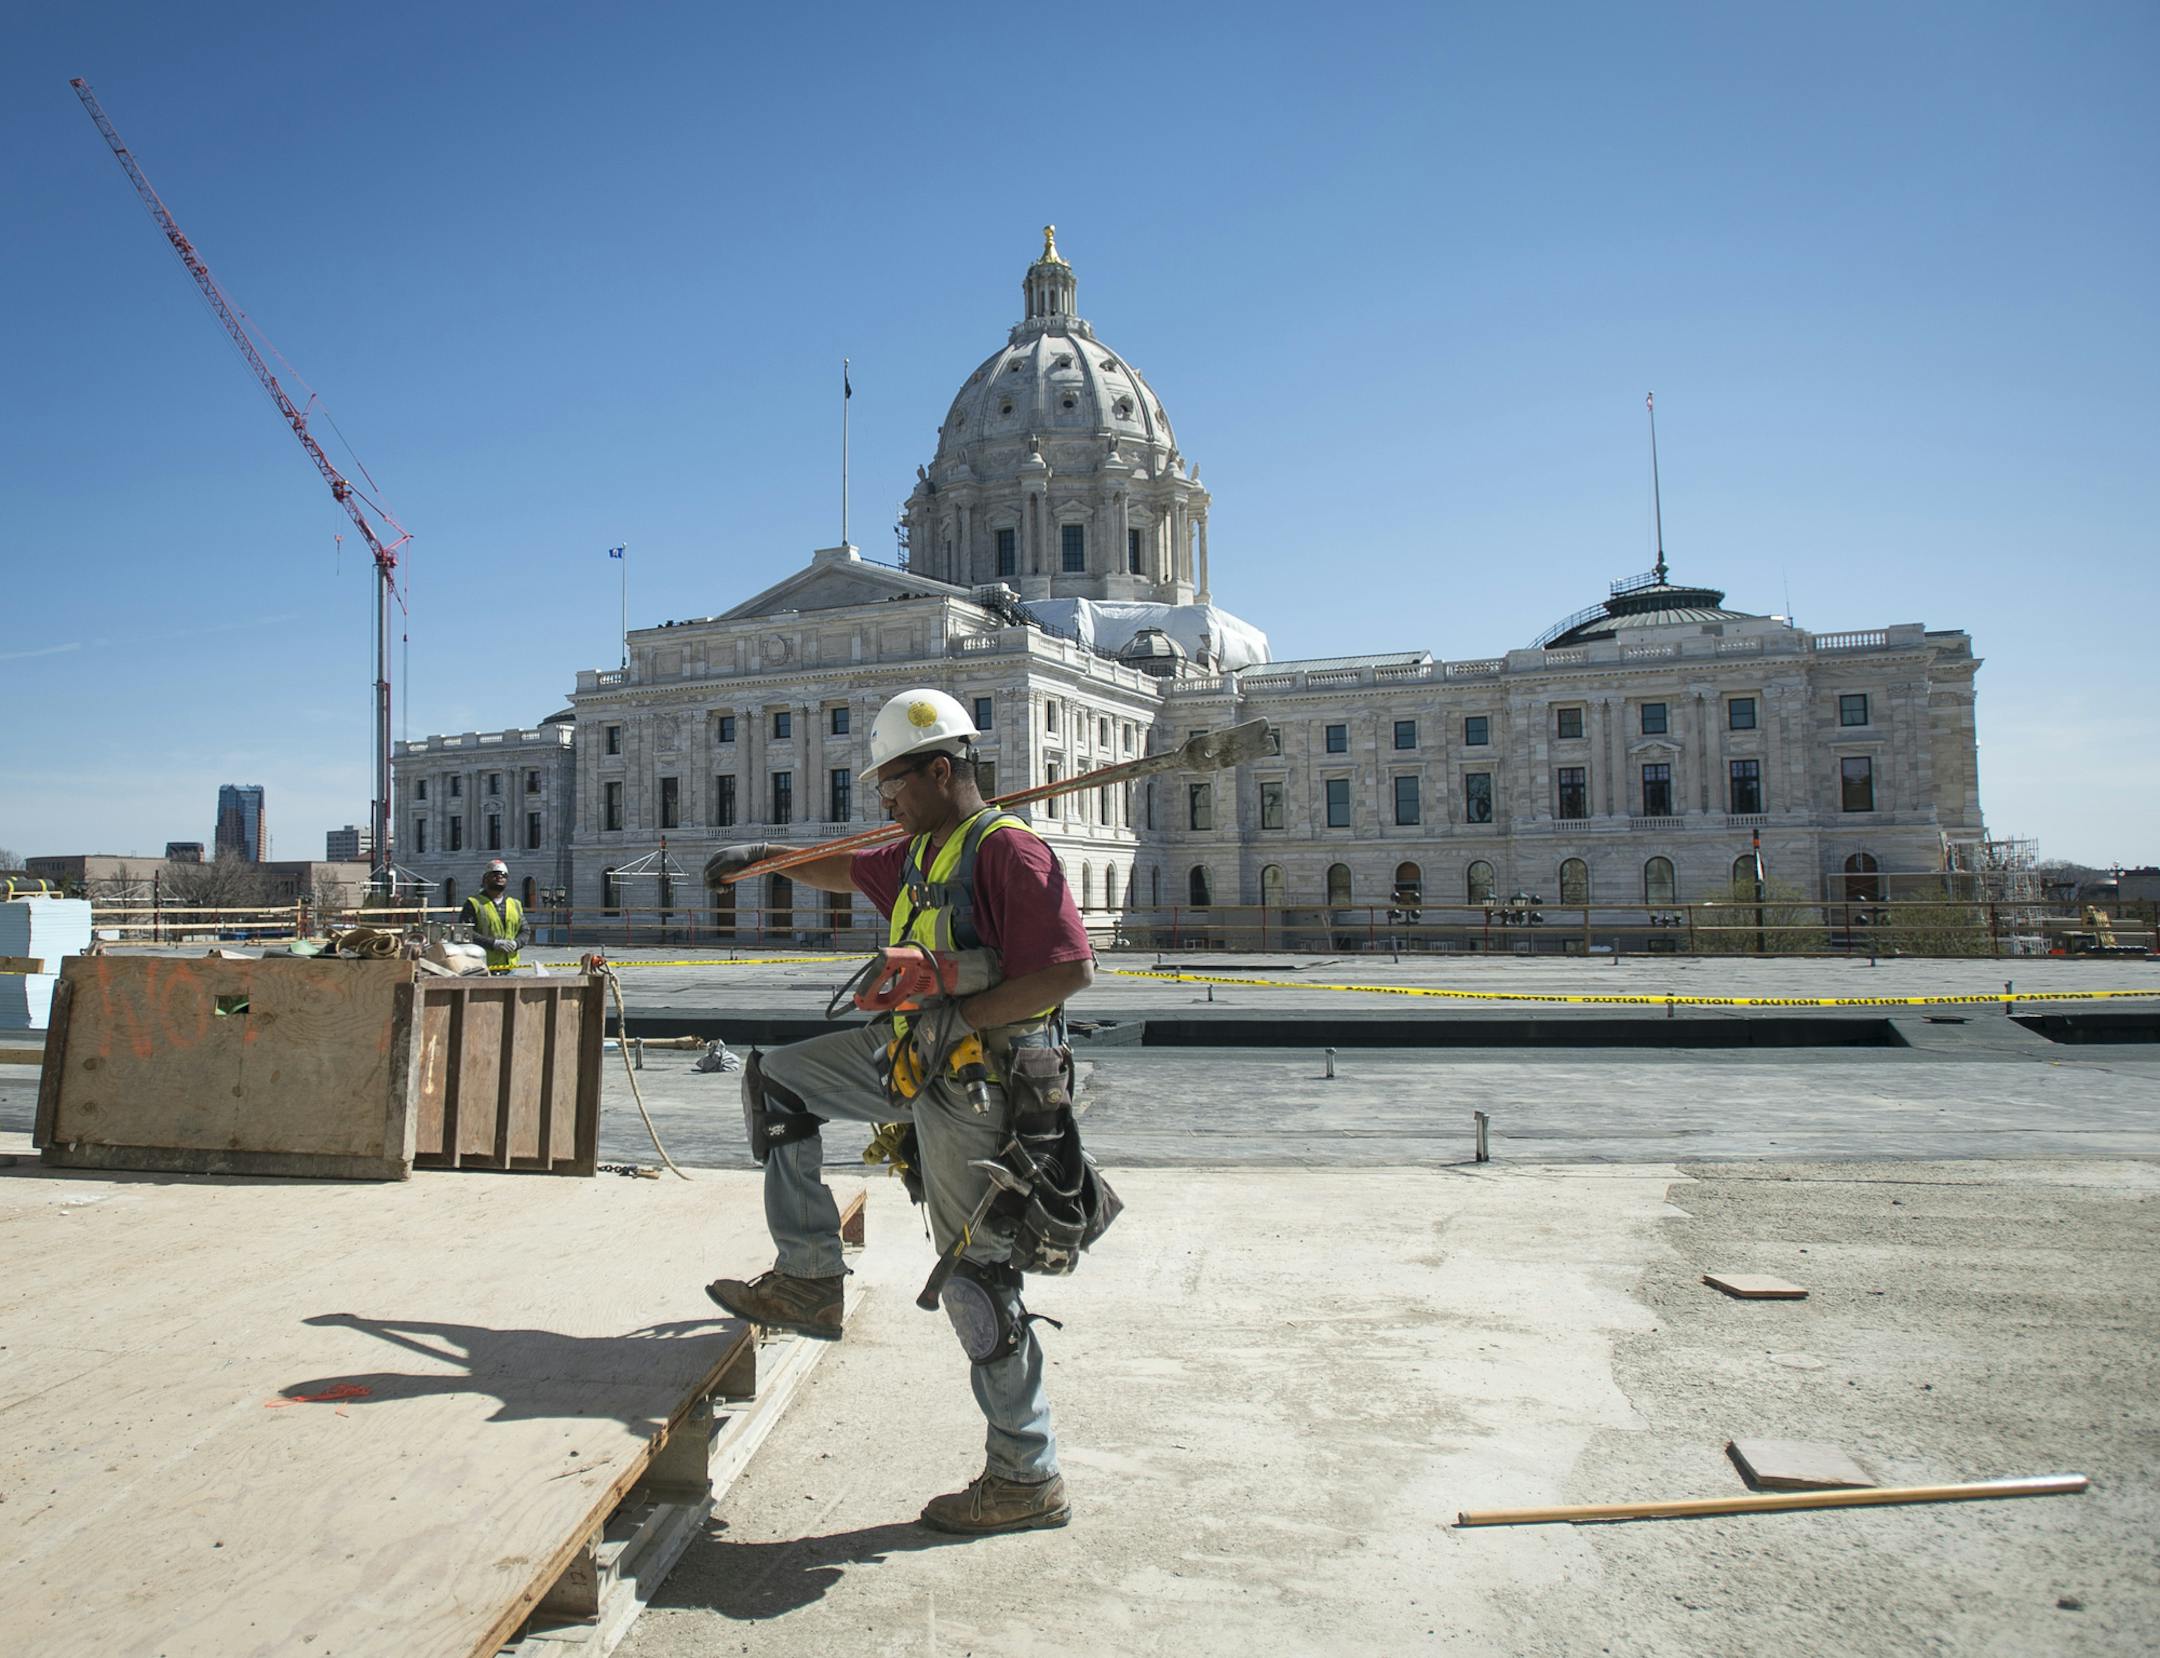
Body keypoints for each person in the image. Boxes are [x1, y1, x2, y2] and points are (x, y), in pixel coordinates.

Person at [702, 687, 1095, 1534]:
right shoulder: (922, 850)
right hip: (913, 1055)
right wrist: (768, 856)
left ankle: (1027, 1475)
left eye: (894, 786)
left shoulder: (1006, 854)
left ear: (941, 769)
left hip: (979, 1083)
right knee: (778, 1081)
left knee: (978, 1275)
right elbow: (845, 867)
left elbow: (1066, 972)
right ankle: (809, 1278)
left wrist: (959, 1012)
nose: (884, 801)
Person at [460, 859, 523, 973]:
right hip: (482, 967)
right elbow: (466, 932)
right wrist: (493, 943)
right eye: (494, 874)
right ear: (485, 879)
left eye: (503, 875)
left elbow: (525, 931)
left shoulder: (515, 904)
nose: (499, 877)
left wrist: (516, 943)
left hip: (510, 968)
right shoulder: (473, 903)